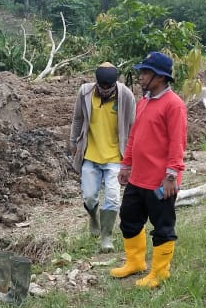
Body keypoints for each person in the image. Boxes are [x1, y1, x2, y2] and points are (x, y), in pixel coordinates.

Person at [110, 52, 188, 288]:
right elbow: (135, 136)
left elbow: (178, 142)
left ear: (161, 77)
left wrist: (172, 175)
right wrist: (127, 164)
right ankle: (135, 262)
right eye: (141, 72)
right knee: (129, 219)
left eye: (146, 72)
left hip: (160, 181)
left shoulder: (174, 105)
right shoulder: (144, 101)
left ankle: (160, 272)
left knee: (163, 227)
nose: (141, 77)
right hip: (137, 177)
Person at [69, 61, 137, 251]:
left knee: (113, 198)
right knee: (90, 197)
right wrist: (73, 142)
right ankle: (93, 217)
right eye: (102, 87)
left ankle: (106, 237)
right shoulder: (85, 92)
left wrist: (130, 158)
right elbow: (77, 119)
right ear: (96, 83)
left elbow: (133, 126)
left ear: (115, 83)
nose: (105, 91)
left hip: (115, 157)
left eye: (109, 88)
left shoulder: (125, 95)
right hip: (90, 155)